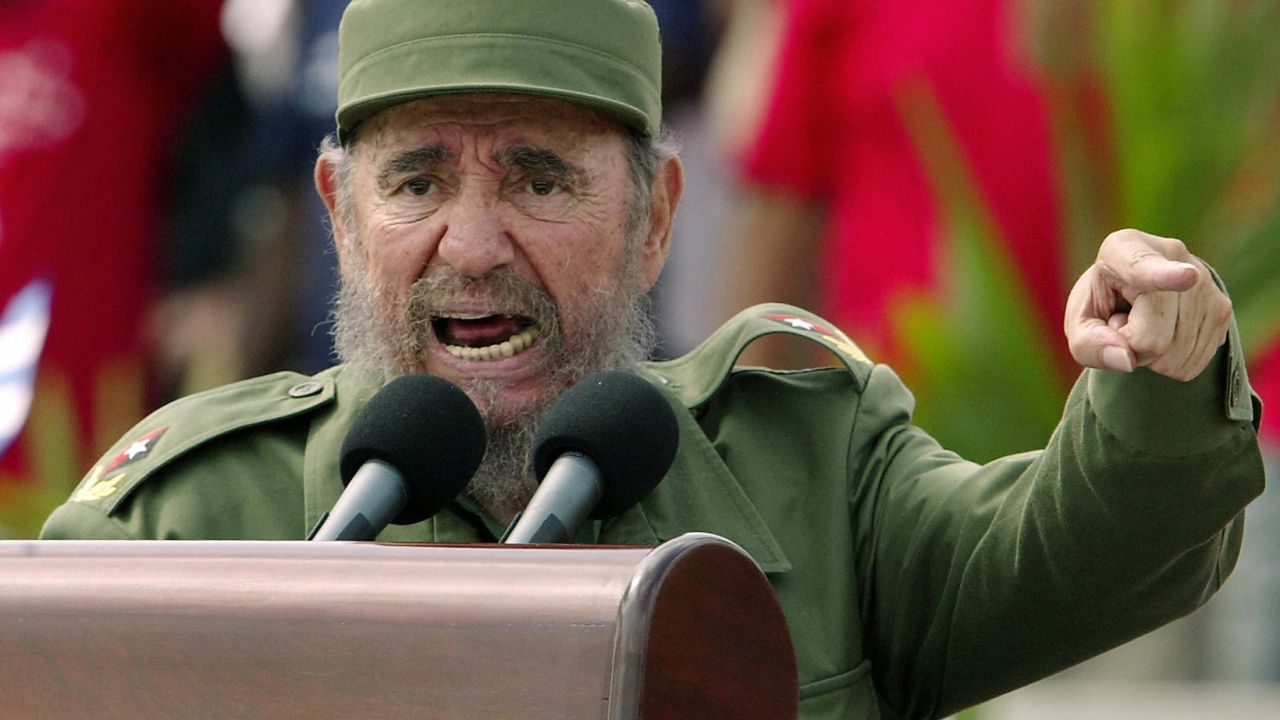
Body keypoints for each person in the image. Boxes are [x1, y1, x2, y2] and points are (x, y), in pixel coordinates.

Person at [40, 1, 1265, 718]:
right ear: (339, 213)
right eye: (416, 181)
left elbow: (1077, 552)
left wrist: (1156, 375)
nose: (473, 245)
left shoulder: (808, 473)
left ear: (657, 217)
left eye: (537, 177)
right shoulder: (187, 523)